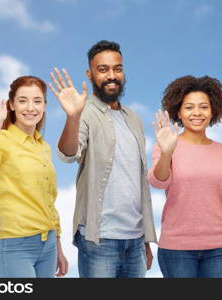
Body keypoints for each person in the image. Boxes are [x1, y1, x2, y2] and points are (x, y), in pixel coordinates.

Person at [49, 40, 157, 278]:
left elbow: (138, 183)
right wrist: (73, 117)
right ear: (90, 74)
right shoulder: (84, 112)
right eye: (103, 69)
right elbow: (68, 154)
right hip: (99, 239)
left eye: (117, 69)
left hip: (136, 241)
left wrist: (146, 240)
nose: (112, 75)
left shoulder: (134, 119)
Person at [147, 75, 222, 278]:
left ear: (213, 110)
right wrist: (166, 153)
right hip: (177, 249)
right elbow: (158, 181)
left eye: (204, 107)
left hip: (219, 249)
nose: (197, 113)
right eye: (189, 107)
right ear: (178, 112)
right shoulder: (166, 145)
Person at [0, 76, 68, 278]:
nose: (30, 107)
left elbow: (49, 201)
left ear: (44, 106)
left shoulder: (43, 147)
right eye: (23, 100)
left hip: (48, 244)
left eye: (37, 101)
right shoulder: (2, 139)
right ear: (11, 105)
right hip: (16, 246)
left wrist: (58, 246)